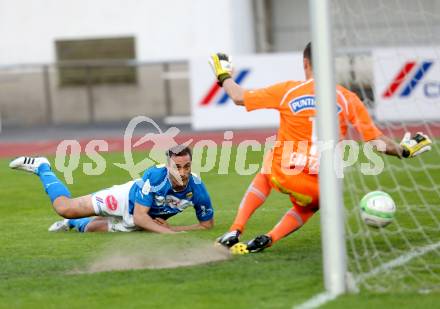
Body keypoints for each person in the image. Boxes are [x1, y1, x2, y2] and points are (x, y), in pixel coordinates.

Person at [209, 42, 432, 253]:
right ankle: (269, 238)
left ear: (305, 64)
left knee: (269, 161)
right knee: (312, 204)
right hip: (317, 188)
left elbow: (238, 97)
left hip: (284, 174)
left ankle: (235, 230)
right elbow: (376, 142)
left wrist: (223, 74)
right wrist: (403, 150)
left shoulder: (288, 91)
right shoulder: (348, 99)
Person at [9, 145, 214, 233]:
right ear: (168, 165)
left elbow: (206, 226)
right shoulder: (154, 176)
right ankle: (43, 167)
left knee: (90, 228)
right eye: (177, 167)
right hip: (125, 200)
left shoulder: (197, 189)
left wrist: (174, 228)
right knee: (65, 208)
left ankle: (71, 224)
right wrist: (168, 234)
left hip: (140, 221)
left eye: (186, 166)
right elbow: (141, 217)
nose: (183, 172)